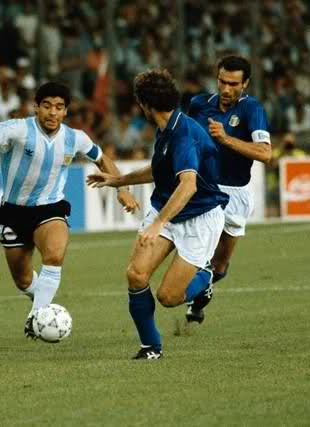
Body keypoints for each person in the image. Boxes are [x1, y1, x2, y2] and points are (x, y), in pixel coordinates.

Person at [0, 81, 138, 337]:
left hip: (50, 208)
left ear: (66, 111)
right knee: (22, 280)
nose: (52, 112)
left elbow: (102, 159)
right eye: (47, 106)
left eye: (59, 107)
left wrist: (122, 188)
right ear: (36, 107)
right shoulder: (17, 129)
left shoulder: (75, 138)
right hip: (13, 212)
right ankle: (41, 303)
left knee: (54, 255)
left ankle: (36, 318)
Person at [87, 69, 229, 360]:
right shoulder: (166, 128)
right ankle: (151, 346)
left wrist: (159, 222)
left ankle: (205, 278)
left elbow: (188, 185)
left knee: (169, 297)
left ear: (145, 105)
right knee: (136, 275)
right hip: (166, 207)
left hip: (200, 217)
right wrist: (118, 180)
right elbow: (159, 170)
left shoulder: (184, 134)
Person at [184, 55, 271, 323]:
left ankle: (202, 292)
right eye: (222, 81)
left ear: (245, 84)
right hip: (203, 189)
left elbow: (265, 153)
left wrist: (226, 139)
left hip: (236, 193)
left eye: (233, 84)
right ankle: (184, 290)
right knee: (196, 256)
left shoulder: (252, 109)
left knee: (219, 265)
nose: (225, 88)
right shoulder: (198, 104)